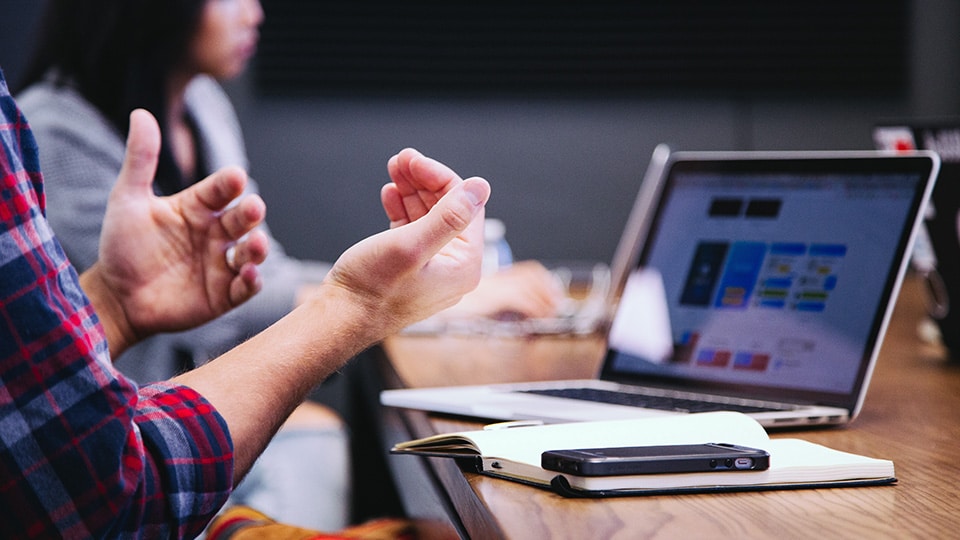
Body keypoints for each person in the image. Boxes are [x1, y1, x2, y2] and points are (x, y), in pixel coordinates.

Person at [15, 0, 562, 527]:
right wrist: (389, 300)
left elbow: (255, 277)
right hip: (125, 449)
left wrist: (116, 302)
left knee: (321, 441)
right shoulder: (54, 130)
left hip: (171, 428)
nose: (255, 12)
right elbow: (231, 312)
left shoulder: (202, 104)